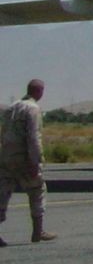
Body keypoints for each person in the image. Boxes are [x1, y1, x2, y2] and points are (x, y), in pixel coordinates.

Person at [1, 79, 56, 245]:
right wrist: (35, 160)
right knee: (37, 189)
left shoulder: (12, 107)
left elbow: (3, 132)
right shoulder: (33, 109)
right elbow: (34, 137)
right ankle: (38, 232)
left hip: (6, 156)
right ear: (40, 91)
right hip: (24, 157)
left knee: (3, 191)